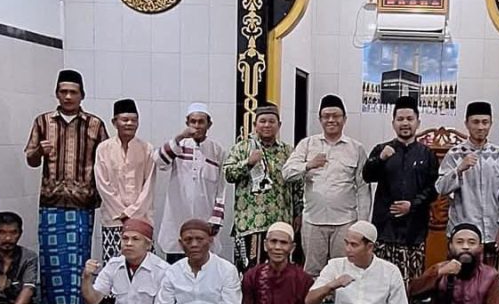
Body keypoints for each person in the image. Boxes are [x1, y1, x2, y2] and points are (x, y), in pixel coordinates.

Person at [24, 68, 109, 304]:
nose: (68, 96)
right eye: (64, 92)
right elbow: (31, 159)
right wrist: (40, 151)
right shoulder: (43, 122)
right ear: (56, 93)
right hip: (51, 200)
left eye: (73, 92)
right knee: (52, 255)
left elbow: (107, 160)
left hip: (83, 202)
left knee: (79, 255)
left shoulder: (95, 124)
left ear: (82, 95)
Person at [283, 95, 371, 275]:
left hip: (345, 222)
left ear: (344, 119)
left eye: (336, 116)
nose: (331, 120)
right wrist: (308, 165)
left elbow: (363, 188)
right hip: (313, 221)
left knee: (345, 271)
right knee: (312, 272)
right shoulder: (307, 144)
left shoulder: (356, 148)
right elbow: (287, 173)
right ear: (320, 119)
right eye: (326, 116)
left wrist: (361, 223)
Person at [362, 95, 439, 288]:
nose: (405, 123)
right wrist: (380, 159)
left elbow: (434, 189)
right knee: (382, 285)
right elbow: (367, 176)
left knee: (411, 286)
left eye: (410, 119)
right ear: (393, 123)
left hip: (414, 231)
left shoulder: (427, 154)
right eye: (400, 119)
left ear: (418, 122)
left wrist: (412, 205)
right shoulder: (382, 149)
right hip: (385, 230)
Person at [224, 103, 301, 272]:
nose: (267, 125)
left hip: (280, 222)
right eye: (263, 121)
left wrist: (298, 213)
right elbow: (228, 174)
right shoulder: (242, 148)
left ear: (279, 125)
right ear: (255, 124)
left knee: (280, 273)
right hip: (250, 223)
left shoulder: (288, 151)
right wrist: (248, 163)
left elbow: (297, 184)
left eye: (272, 121)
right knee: (250, 273)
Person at [435, 101, 499, 268]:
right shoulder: (455, 154)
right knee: (458, 278)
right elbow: (441, 188)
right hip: (462, 234)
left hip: (491, 232)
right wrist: (459, 169)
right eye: (475, 122)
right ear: (467, 124)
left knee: (489, 278)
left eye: (485, 122)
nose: (480, 127)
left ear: (491, 123)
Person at [155, 103, 228, 262]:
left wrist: (216, 220)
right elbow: (159, 162)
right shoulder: (178, 145)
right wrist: (180, 137)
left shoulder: (217, 151)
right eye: (193, 121)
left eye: (201, 122)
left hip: (205, 219)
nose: (197, 126)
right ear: (187, 123)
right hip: (177, 219)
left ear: (209, 124)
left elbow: (221, 188)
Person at [94, 98, 157, 264]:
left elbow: (149, 185)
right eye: (125, 120)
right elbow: (102, 184)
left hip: (141, 218)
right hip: (113, 219)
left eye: (134, 120)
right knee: (114, 266)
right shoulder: (104, 148)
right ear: (114, 122)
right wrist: (121, 213)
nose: (130, 124)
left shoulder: (147, 148)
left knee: (145, 267)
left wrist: (131, 213)